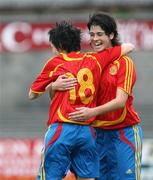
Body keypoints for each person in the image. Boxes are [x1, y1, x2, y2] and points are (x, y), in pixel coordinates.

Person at [28, 21, 134, 180]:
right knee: (87, 178)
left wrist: (52, 85)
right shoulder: (95, 59)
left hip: (62, 128)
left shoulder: (56, 62)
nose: (52, 50)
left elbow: (32, 94)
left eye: (52, 46)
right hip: (86, 131)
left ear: (60, 46)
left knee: (49, 176)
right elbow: (129, 47)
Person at [53, 13, 143, 180]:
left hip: (124, 132)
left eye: (100, 34)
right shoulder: (88, 62)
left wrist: (91, 112)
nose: (95, 39)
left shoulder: (124, 63)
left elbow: (120, 101)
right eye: (92, 34)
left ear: (111, 35)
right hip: (97, 134)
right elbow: (64, 96)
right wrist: (53, 86)